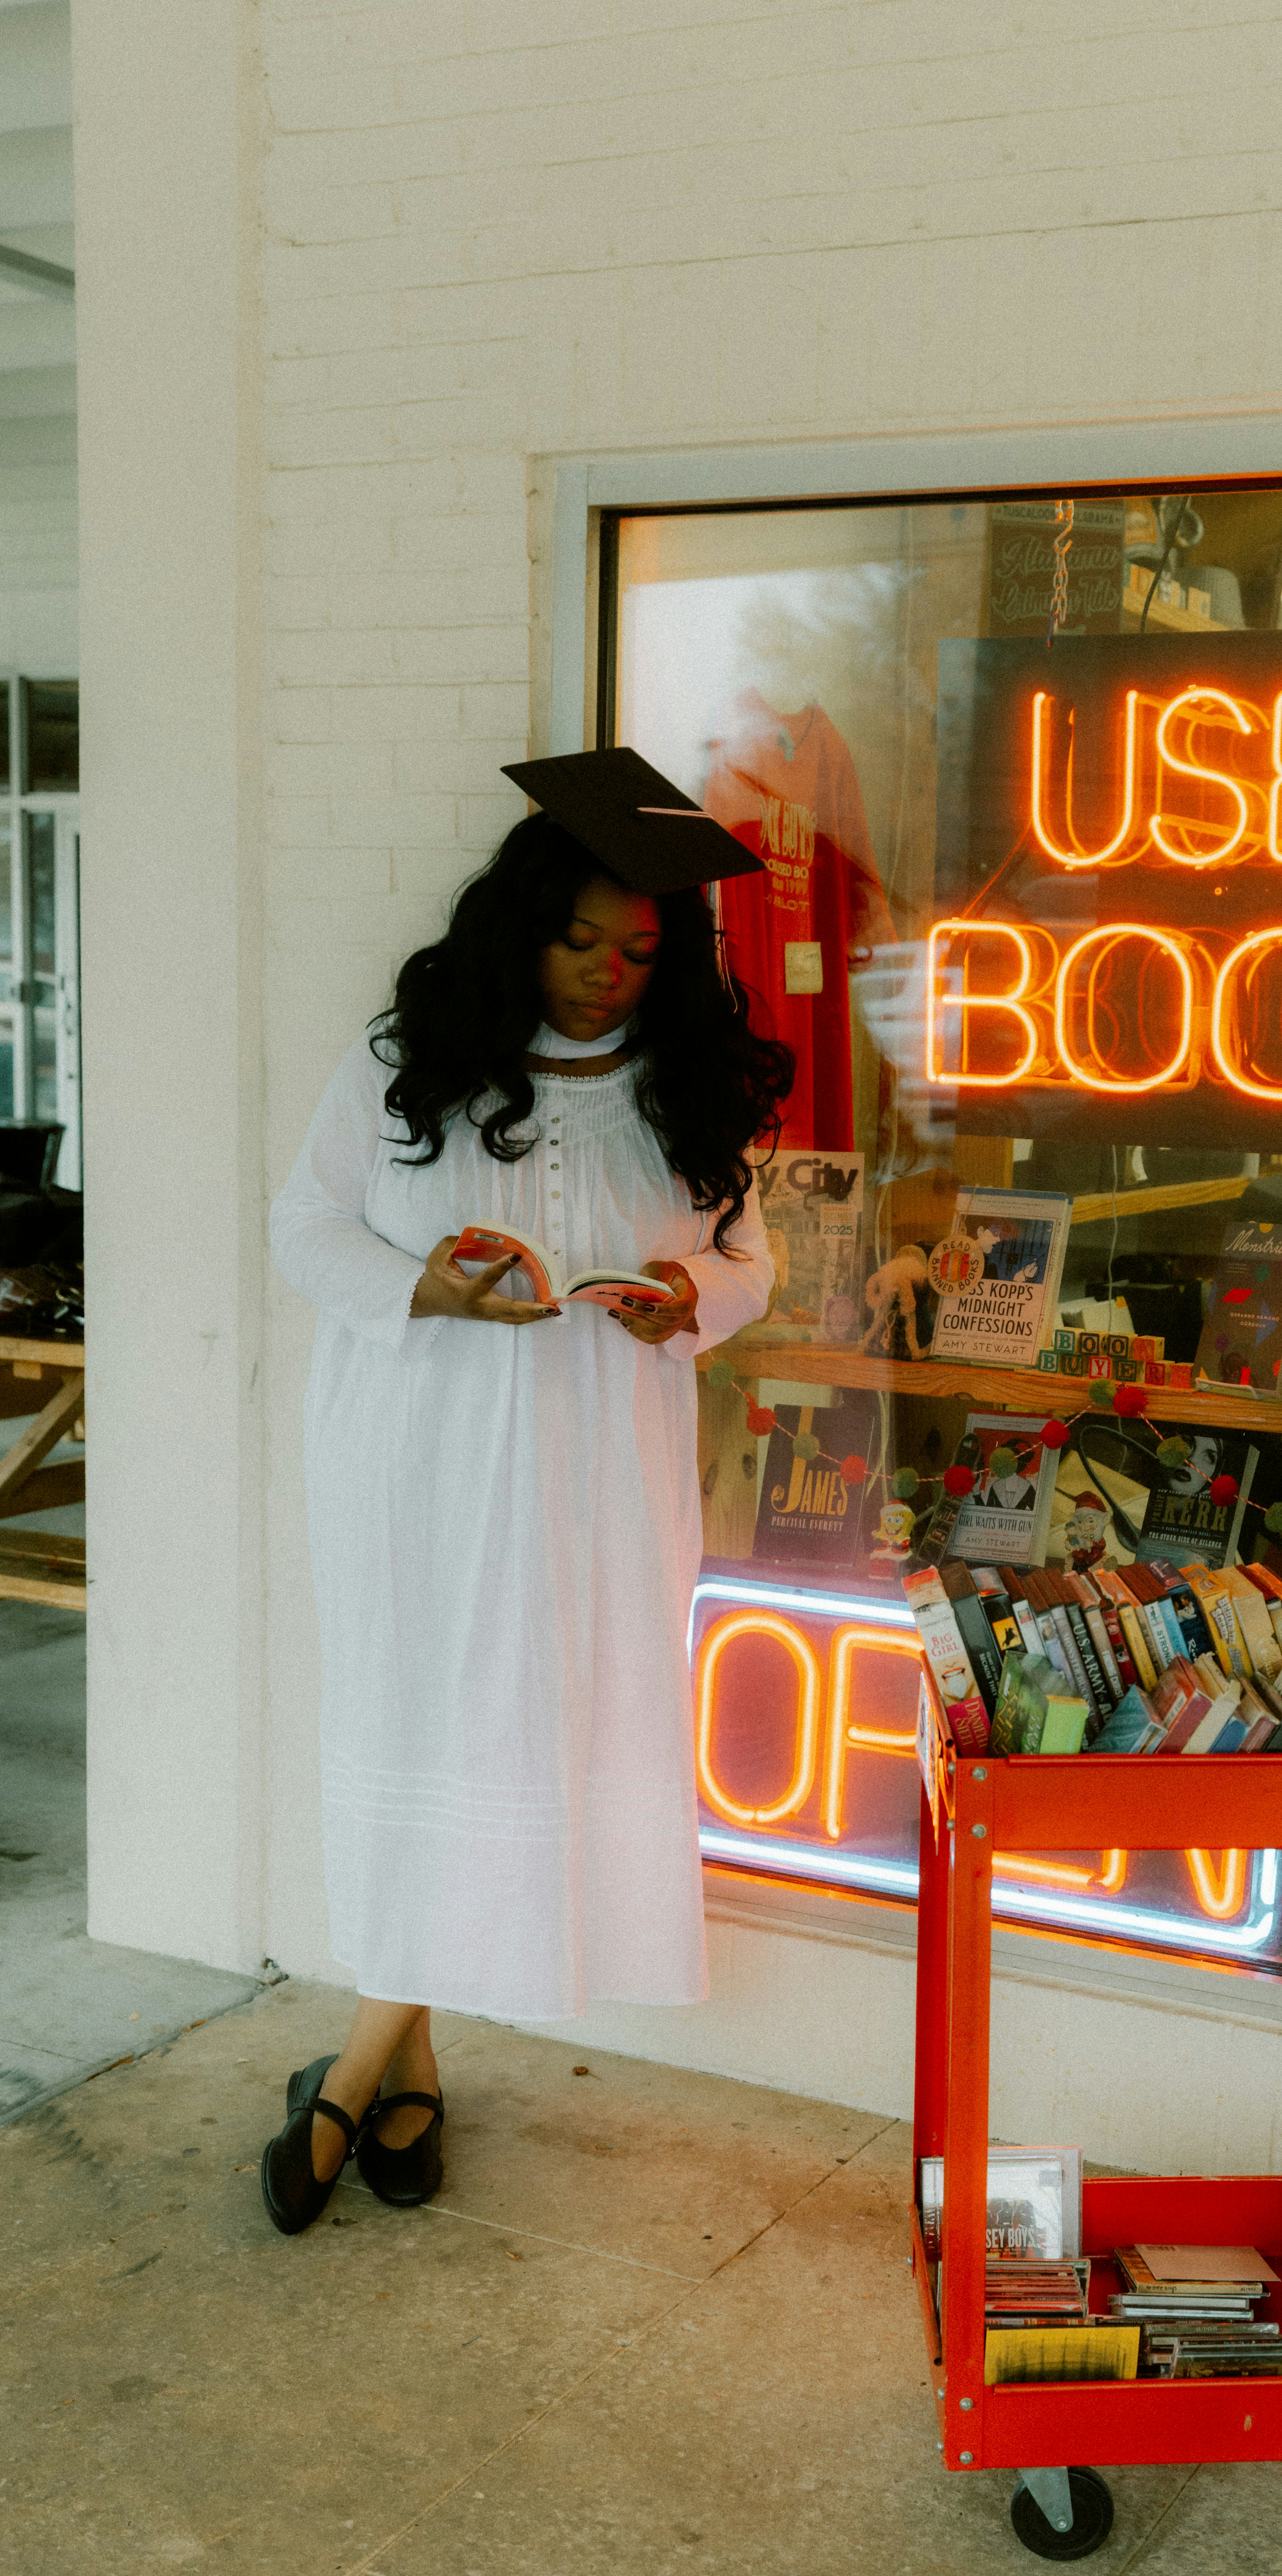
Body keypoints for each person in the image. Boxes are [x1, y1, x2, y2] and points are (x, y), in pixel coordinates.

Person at [263, 749, 792, 2235]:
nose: (608, 974)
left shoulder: (682, 1093)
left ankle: (365, 2064)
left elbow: (753, 1262)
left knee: (537, 1739)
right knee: (424, 1727)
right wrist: (419, 1281)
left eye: (637, 950)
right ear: (520, 925)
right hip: (414, 1466)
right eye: (580, 940)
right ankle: (393, 2061)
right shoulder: (402, 1064)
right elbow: (302, 1225)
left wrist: (687, 1292)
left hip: (594, 1488)